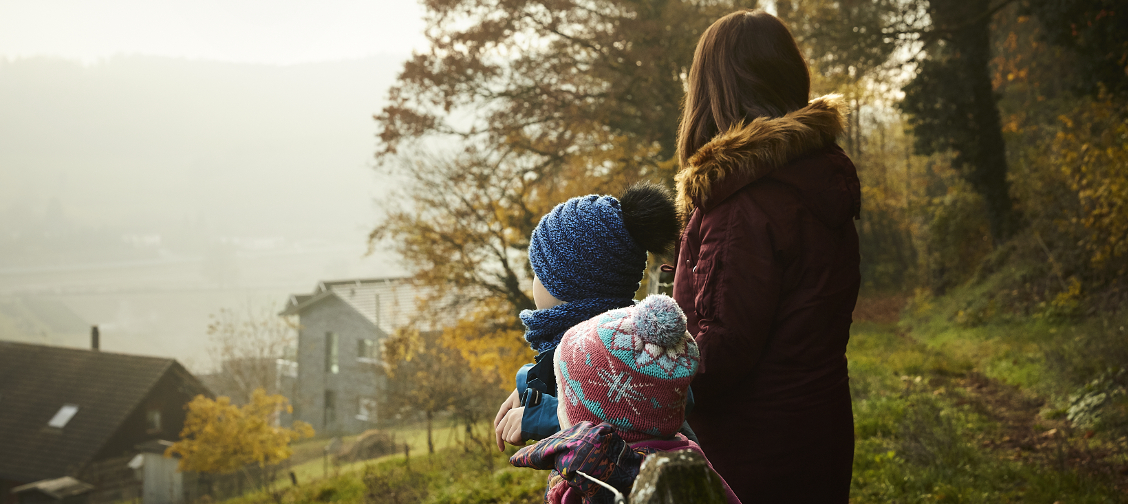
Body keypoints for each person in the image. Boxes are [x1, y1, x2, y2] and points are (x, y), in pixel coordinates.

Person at [671, 9, 861, 503]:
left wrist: (619, 360)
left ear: (714, 90)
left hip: (750, 451)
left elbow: (715, 358)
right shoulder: (813, 176)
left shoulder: (744, 204)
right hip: (818, 430)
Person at [494, 183, 681, 449]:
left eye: (540, 273)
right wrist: (528, 386)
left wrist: (546, 415)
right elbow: (575, 378)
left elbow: (628, 417)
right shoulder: (607, 336)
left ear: (569, 285)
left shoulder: (621, 348)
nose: (534, 282)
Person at [510, 294, 739, 504]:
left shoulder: (600, 484)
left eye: (563, 395)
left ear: (591, 421)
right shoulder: (684, 457)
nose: (559, 403)